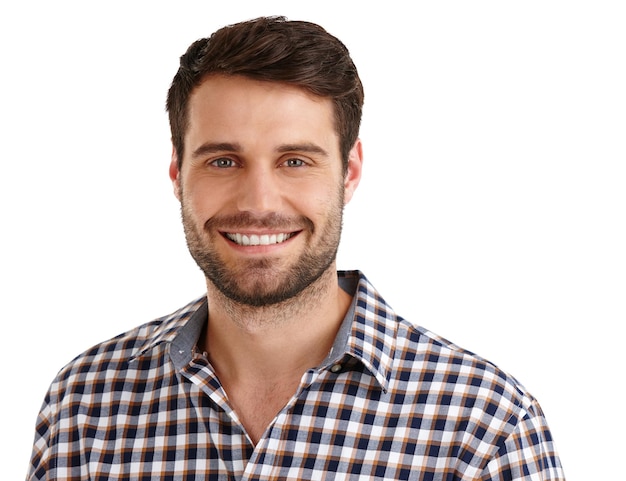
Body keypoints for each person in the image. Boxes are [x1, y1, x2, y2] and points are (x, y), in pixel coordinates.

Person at [27, 16, 565, 480]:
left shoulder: (487, 428)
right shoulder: (85, 407)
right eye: (222, 160)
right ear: (177, 172)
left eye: (295, 161)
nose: (259, 201)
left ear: (349, 172)